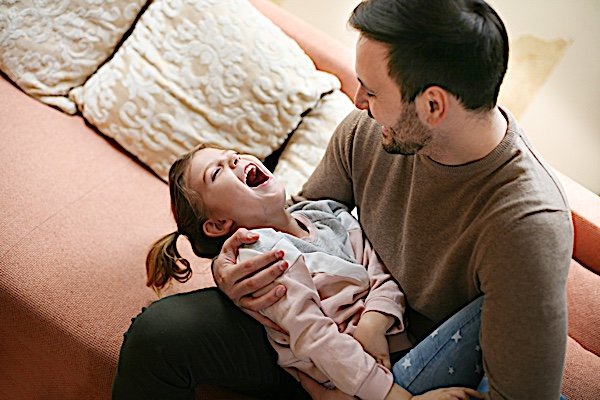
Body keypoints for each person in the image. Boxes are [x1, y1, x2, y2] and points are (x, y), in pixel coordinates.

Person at [112, 0, 573, 399]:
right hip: (317, 328)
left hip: (405, 360)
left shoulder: (527, 225)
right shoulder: (370, 131)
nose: (356, 101)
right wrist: (228, 268)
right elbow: (300, 223)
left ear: (433, 106)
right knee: (159, 335)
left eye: (371, 91)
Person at [140, 143, 483, 400]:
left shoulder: (326, 216)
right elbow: (317, 338)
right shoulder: (264, 256)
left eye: (234, 157)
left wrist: (373, 323)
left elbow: (380, 271)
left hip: (391, 350)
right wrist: (398, 398)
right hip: (363, 386)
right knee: (497, 309)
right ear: (218, 224)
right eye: (217, 172)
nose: (236, 162)